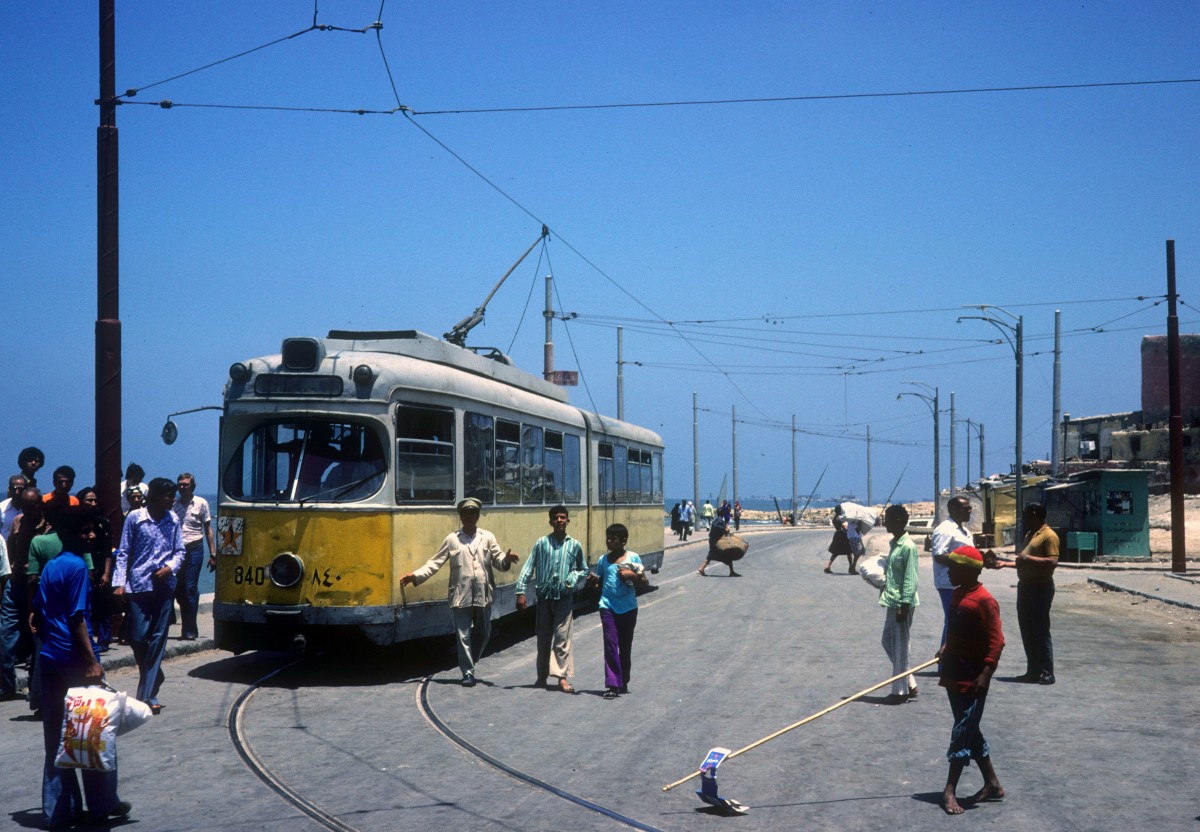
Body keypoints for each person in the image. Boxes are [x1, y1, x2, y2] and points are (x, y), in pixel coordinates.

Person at [31, 505, 131, 826]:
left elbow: (42, 615)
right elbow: (77, 618)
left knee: (56, 740)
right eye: (84, 531)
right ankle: (102, 804)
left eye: (92, 530)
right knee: (92, 735)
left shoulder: (51, 567)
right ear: (69, 535)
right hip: (75, 661)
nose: (90, 536)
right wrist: (91, 661)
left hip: (50, 660)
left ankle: (59, 812)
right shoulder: (76, 568)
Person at [400, 497, 518, 686]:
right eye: (465, 513)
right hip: (460, 595)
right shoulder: (452, 539)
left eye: (472, 513)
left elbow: (498, 560)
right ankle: (468, 673)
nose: (469, 516)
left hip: (483, 594)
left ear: (478, 515)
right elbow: (435, 562)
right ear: (460, 517)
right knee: (462, 635)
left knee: (485, 632)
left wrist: (506, 559)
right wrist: (416, 576)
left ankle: (470, 659)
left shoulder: (487, 537)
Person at [938, 544, 1005, 815]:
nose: (948, 571)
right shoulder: (957, 595)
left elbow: (997, 642)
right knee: (968, 728)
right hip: (953, 670)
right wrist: (945, 647)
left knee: (963, 729)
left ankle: (950, 789)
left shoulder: (985, 600)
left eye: (953, 567)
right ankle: (992, 784)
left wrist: (986, 673)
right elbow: (955, 630)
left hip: (973, 677)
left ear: (967, 571)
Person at [113, 478, 184, 714]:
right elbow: (123, 552)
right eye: (167, 496)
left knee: (158, 637)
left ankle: (148, 693)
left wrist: (170, 568)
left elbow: (180, 551)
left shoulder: (173, 519)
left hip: (164, 586)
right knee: (138, 636)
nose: (172, 500)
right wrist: (119, 582)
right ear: (153, 496)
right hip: (139, 584)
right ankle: (156, 674)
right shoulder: (135, 518)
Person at [515, 505, 587, 693]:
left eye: (563, 517)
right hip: (545, 598)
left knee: (562, 638)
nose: (560, 520)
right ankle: (541, 676)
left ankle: (561, 678)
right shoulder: (541, 543)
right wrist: (520, 591)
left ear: (568, 520)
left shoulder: (574, 545)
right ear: (551, 522)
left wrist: (571, 580)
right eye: (556, 518)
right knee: (543, 638)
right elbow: (528, 567)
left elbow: (583, 569)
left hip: (564, 598)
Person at [988, 501, 1058, 685]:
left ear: (1035, 514)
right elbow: (1021, 561)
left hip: (1040, 587)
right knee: (1027, 630)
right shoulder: (1030, 535)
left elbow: (1052, 562)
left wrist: (1028, 557)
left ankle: (1047, 671)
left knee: (1040, 630)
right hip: (1025, 586)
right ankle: (1033, 670)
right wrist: (1004, 564)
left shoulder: (1049, 536)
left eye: (1026, 514)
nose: (1024, 518)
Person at [586, 523, 647, 699]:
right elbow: (600, 584)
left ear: (623, 541)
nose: (609, 542)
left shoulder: (633, 558)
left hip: (628, 608)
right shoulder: (603, 560)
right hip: (607, 606)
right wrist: (592, 583)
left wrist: (632, 576)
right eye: (608, 538)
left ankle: (623, 679)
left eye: (614, 539)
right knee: (611, 644)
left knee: (625, 647)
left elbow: (644, 582)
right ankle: (612, 684)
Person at [4, 487, 51, 708]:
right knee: (5, 635)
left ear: (39, 503)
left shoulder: (50, 526)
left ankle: (38, 692)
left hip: (39, 586)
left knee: (36, 640)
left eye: (30, 505)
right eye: (23, 505)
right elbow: (11, 549)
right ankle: (6, 686)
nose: (26, 510)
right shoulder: (18, 523)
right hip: (17, 583)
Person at [880, 504, 919, 703]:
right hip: (892, 599)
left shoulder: (908, 546)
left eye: (887, 518)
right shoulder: (894, 543)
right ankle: (909, 682)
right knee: (887, 641)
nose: (884, 522)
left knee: (900, 646)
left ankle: (899, 691)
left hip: (903, 602)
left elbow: (910, 578)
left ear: (898, 521)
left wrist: (905, 605)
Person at [172, 473, 216, 641]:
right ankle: (183, 625)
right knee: (177, 588)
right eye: (180, 484)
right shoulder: (173, 505)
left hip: (195, 548)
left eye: (186, 485)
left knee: (190, 587)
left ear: (192, 486)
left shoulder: (201, 503)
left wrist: (213, 554)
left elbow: (208, 529)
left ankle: (189, 630)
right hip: (177, 551)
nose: (183, 487)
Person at [931, 496, 975, 652]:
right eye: (966, 508)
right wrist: (964, 558)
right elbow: (939, 555)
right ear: (953, 509)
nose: (969, 511)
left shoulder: (965, 531)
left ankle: (951, 660)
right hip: (949, 583)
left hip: (964, 583)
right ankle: (945, 663)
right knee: (953, 622)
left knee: (959, 622)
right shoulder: (944, 530)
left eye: (970, 508)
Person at [41, 466, 80, 531]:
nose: (64, 485)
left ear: (72, 483)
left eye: (67, 482)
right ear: (54, 483)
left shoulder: (74, 501)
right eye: (60, 482)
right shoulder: (44, 499)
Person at [823, 508, 853, 574]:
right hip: (843, 535)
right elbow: (844, 527)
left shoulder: (834, 518)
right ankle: (851, 568)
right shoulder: (839, 517)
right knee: (849, 552)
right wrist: (849, 531)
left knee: (835, 552)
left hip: (837, 533)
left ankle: (827, 566)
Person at [1, 473, 27, 540]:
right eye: (13, 489)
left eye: (20, 489)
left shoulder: (32, 508)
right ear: (9, 489)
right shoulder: (1, 508)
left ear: (26, 489)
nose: (17, 492)